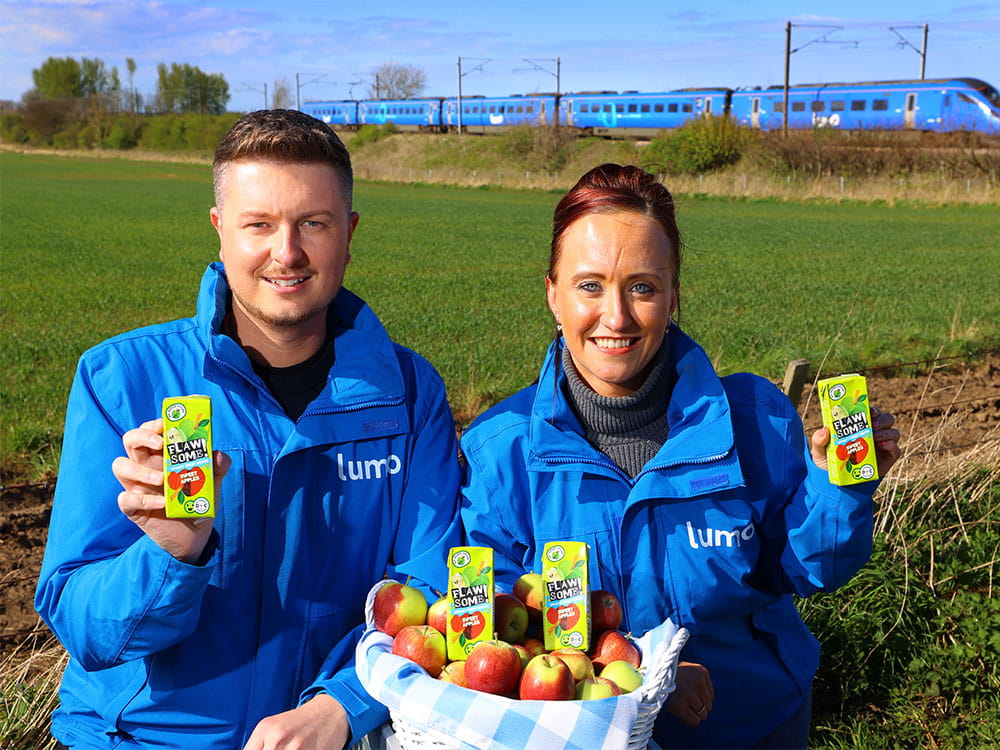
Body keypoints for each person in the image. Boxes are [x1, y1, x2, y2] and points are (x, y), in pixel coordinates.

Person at [35, 109, 461, 750]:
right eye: (258, 224)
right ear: (220, 230)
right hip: (136, 738)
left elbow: (431, 589)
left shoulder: (409, 394)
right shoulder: (122, 378)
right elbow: (85, 629)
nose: (286, 253)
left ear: (348, 233)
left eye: (312, 224)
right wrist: (173, 554)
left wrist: (346, 704)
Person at [459, 163, 901, 748]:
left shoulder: (756, 420)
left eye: (641, 286)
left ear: (672, 297)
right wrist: (648, 674)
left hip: (749, 726)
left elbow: (806, 568)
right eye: (589, 285)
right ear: (553, 295)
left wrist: (837, 488)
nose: (615, 317)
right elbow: (494, 633)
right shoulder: (499, 451)